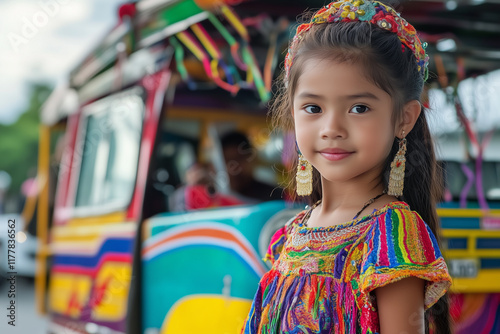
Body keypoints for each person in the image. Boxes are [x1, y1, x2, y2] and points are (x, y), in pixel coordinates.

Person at [241, 1, 453, 333]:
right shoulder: (290, 234)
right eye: (313, 107)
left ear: (403, 118)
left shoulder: (390, 235)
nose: (331, 128)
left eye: (358, 107)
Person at [220, 131, 283, 203]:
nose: (234, 167)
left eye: (239, 159)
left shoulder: (276, 196)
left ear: (252, 158)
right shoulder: (216, 199)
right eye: (228, 161)